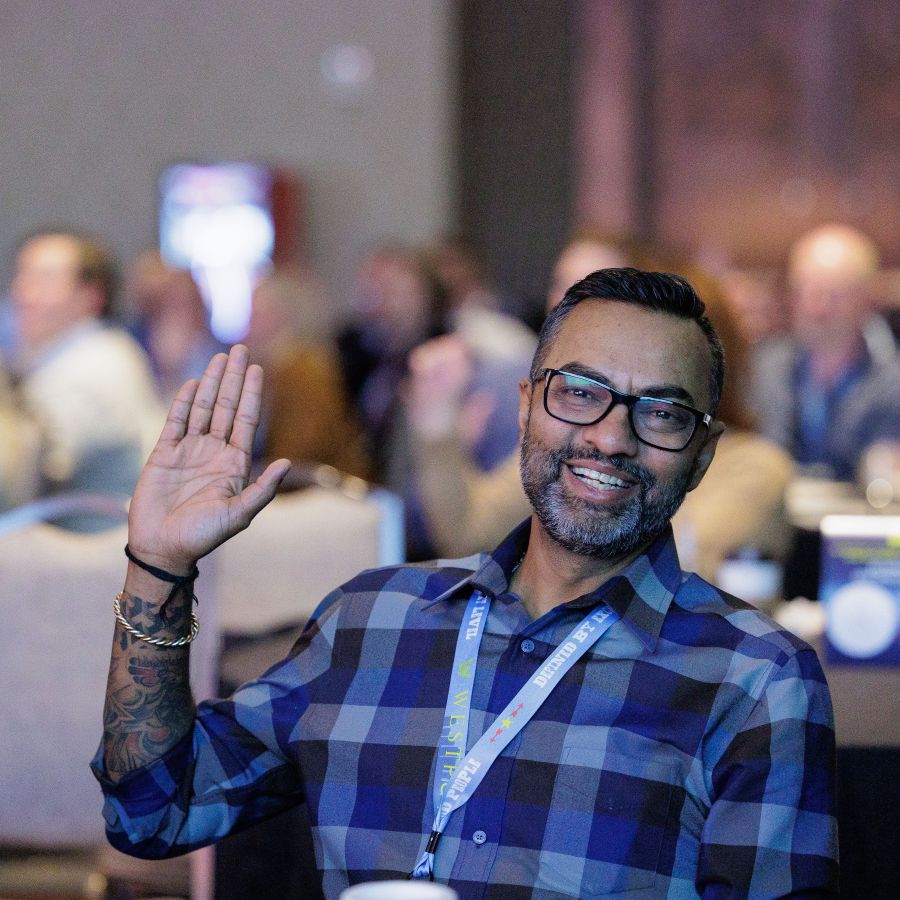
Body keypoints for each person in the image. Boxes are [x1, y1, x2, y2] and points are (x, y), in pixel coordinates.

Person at [94, 269, 837, 897]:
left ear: (702, 454)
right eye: (580, 393)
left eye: (663, 413)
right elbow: (155, 809)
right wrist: (159, 569)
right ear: (526, 405)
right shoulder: (370, 621)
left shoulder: (753, 680)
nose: (611, 437)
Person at [9, 229, 163, 517]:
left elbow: (16, 473)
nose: (22, 293)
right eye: (22, 275)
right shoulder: (88, 352)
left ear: (90, 296)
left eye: (44, 280)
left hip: (99, 550)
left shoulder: (96, 364)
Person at [751, 223, 900, 480]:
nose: (817, 308)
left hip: (860, 516)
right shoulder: (764, 366)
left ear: (868, 298)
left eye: (834, 296)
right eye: (807, 292)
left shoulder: (892, 378)